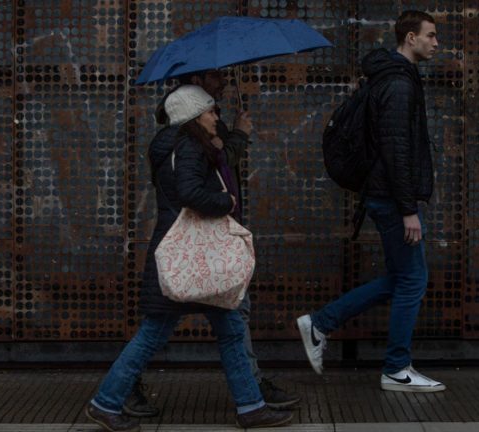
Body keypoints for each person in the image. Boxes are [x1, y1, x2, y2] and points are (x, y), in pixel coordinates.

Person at [86, 85, 293, 431]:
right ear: (195, 115)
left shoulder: (170, 145)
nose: (216, 117)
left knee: (222, 330)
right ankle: (106, 402)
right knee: (158, 334)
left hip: (185, 256)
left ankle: (251, 406)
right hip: (194, 256)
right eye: (211, 111)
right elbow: (191, 193)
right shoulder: (189, 147)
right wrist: (226, 202)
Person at [296, 10, 446, 393]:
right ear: (410, 38)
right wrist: (408, 208)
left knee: (401, 278)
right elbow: (396, 150)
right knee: (413, 280)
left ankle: (320, 323)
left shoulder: (393, 77)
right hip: (392, 199)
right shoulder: (398, 84)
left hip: (383, 196)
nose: (436, 42)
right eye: (429, 35)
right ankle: (396, 367)